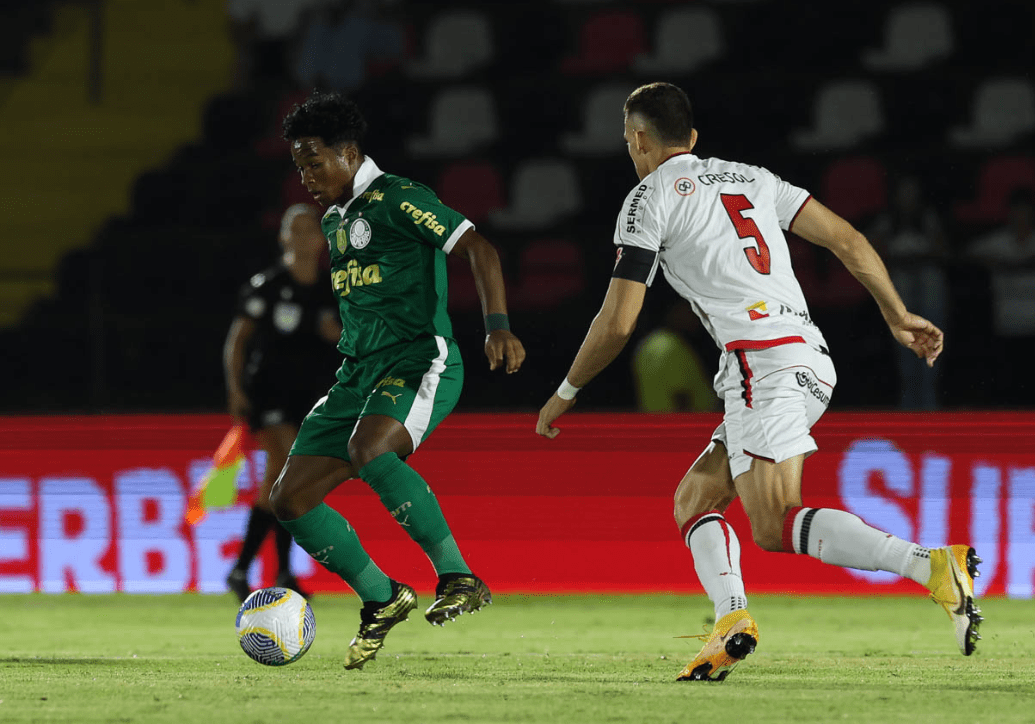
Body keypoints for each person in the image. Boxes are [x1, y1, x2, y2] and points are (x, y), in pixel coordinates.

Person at [535, 82, 981, 681]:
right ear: (692, 138)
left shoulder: (648, 198)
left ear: (639, 139)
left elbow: (618, 323)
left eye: (627, 141)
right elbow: (847, 238)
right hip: (808, 358)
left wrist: (565, 392)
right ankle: (731, 620)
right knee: (695, 498)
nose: (629, 151)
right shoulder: (753, 178)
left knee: (773, 523)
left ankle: (930, 565)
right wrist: (896, 313)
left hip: (759, 363)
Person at [273, 91, 526, 670]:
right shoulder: (336, 219)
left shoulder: (399, 198)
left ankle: (459, 576)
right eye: (298, 166)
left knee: (370, 450)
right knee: (290, 499)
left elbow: (480, 249)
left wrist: (497, 328)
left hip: (419, 360)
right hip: (356, 374)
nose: (306, 177)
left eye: (314, 161)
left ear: (349, 151)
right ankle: (382, 598)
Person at [224, 203, 341, 600]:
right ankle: (278, 572)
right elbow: (237, 341)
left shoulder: (333, 288)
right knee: (286, 464)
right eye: (297, 229)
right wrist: (236, 390)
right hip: (268, 392)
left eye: (313, 229)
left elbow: (350, 339)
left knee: (284, 481)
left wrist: (336, 335)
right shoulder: (267, 286)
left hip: (311, 396)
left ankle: (250, 570)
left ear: (323, 240)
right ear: (284, 237)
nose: (306, 236)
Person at [965, 189, 1035, 405]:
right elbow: (968, 252)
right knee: (1009, 392)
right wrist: (996, 261)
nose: (1021, 217)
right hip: (1007, 325)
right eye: (1017, 212)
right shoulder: (997, 241)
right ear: (1009, 214)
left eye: (1026, 212)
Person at [868, 174, 949, 409]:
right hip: (900, 294)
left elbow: (943, 251)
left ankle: (930, 405)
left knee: (930, 280)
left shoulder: (929, 219)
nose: (908, 198)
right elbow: (871, 256)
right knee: (906, 358)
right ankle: (908, 410)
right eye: (903, 193)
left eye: (912, 193)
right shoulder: (886, 222)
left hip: (928, 292)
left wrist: (920, 256)